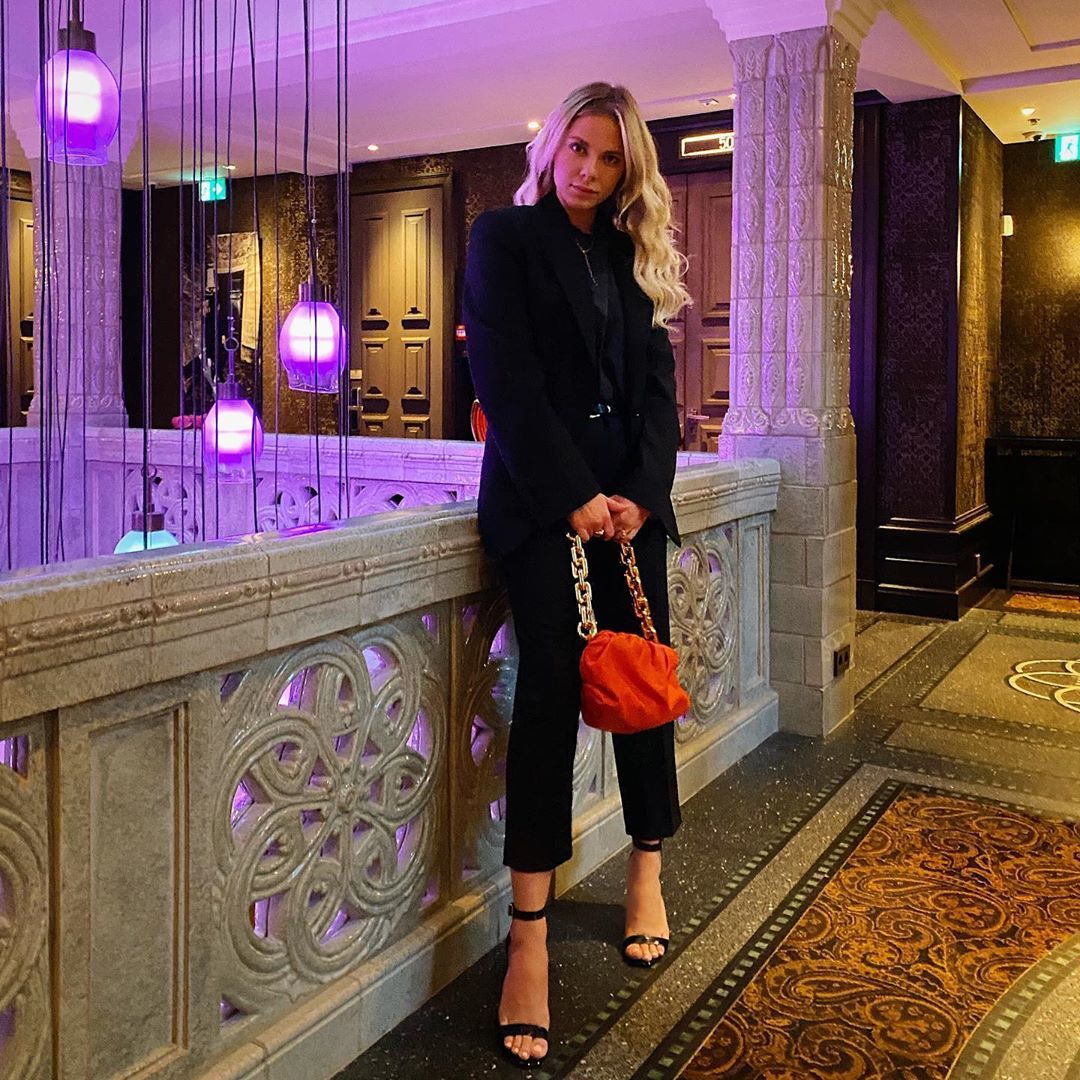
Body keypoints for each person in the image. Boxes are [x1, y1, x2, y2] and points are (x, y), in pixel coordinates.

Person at [463, 82, 692, 1068]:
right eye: (577, 149)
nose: (589, 169)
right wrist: (573, 497)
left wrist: (638, 491)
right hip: (539, 505)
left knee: (645, 691)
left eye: (608, 157)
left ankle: (647, 871)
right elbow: (505, 383)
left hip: (628, 513)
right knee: (550, 698)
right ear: (551, 146)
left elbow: (658, 395)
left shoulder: (636, 256)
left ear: (628, 169)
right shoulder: (504, 239)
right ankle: (529, 938)